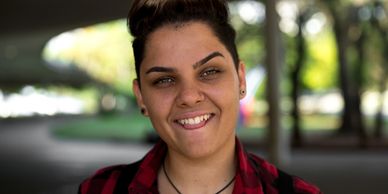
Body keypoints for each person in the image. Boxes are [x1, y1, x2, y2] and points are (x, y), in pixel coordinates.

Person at [79, 0, 322, 193]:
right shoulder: (100, 189)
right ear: (141, 96)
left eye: (209, 72)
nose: (189, 96)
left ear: (241, 79)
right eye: (164, 80)